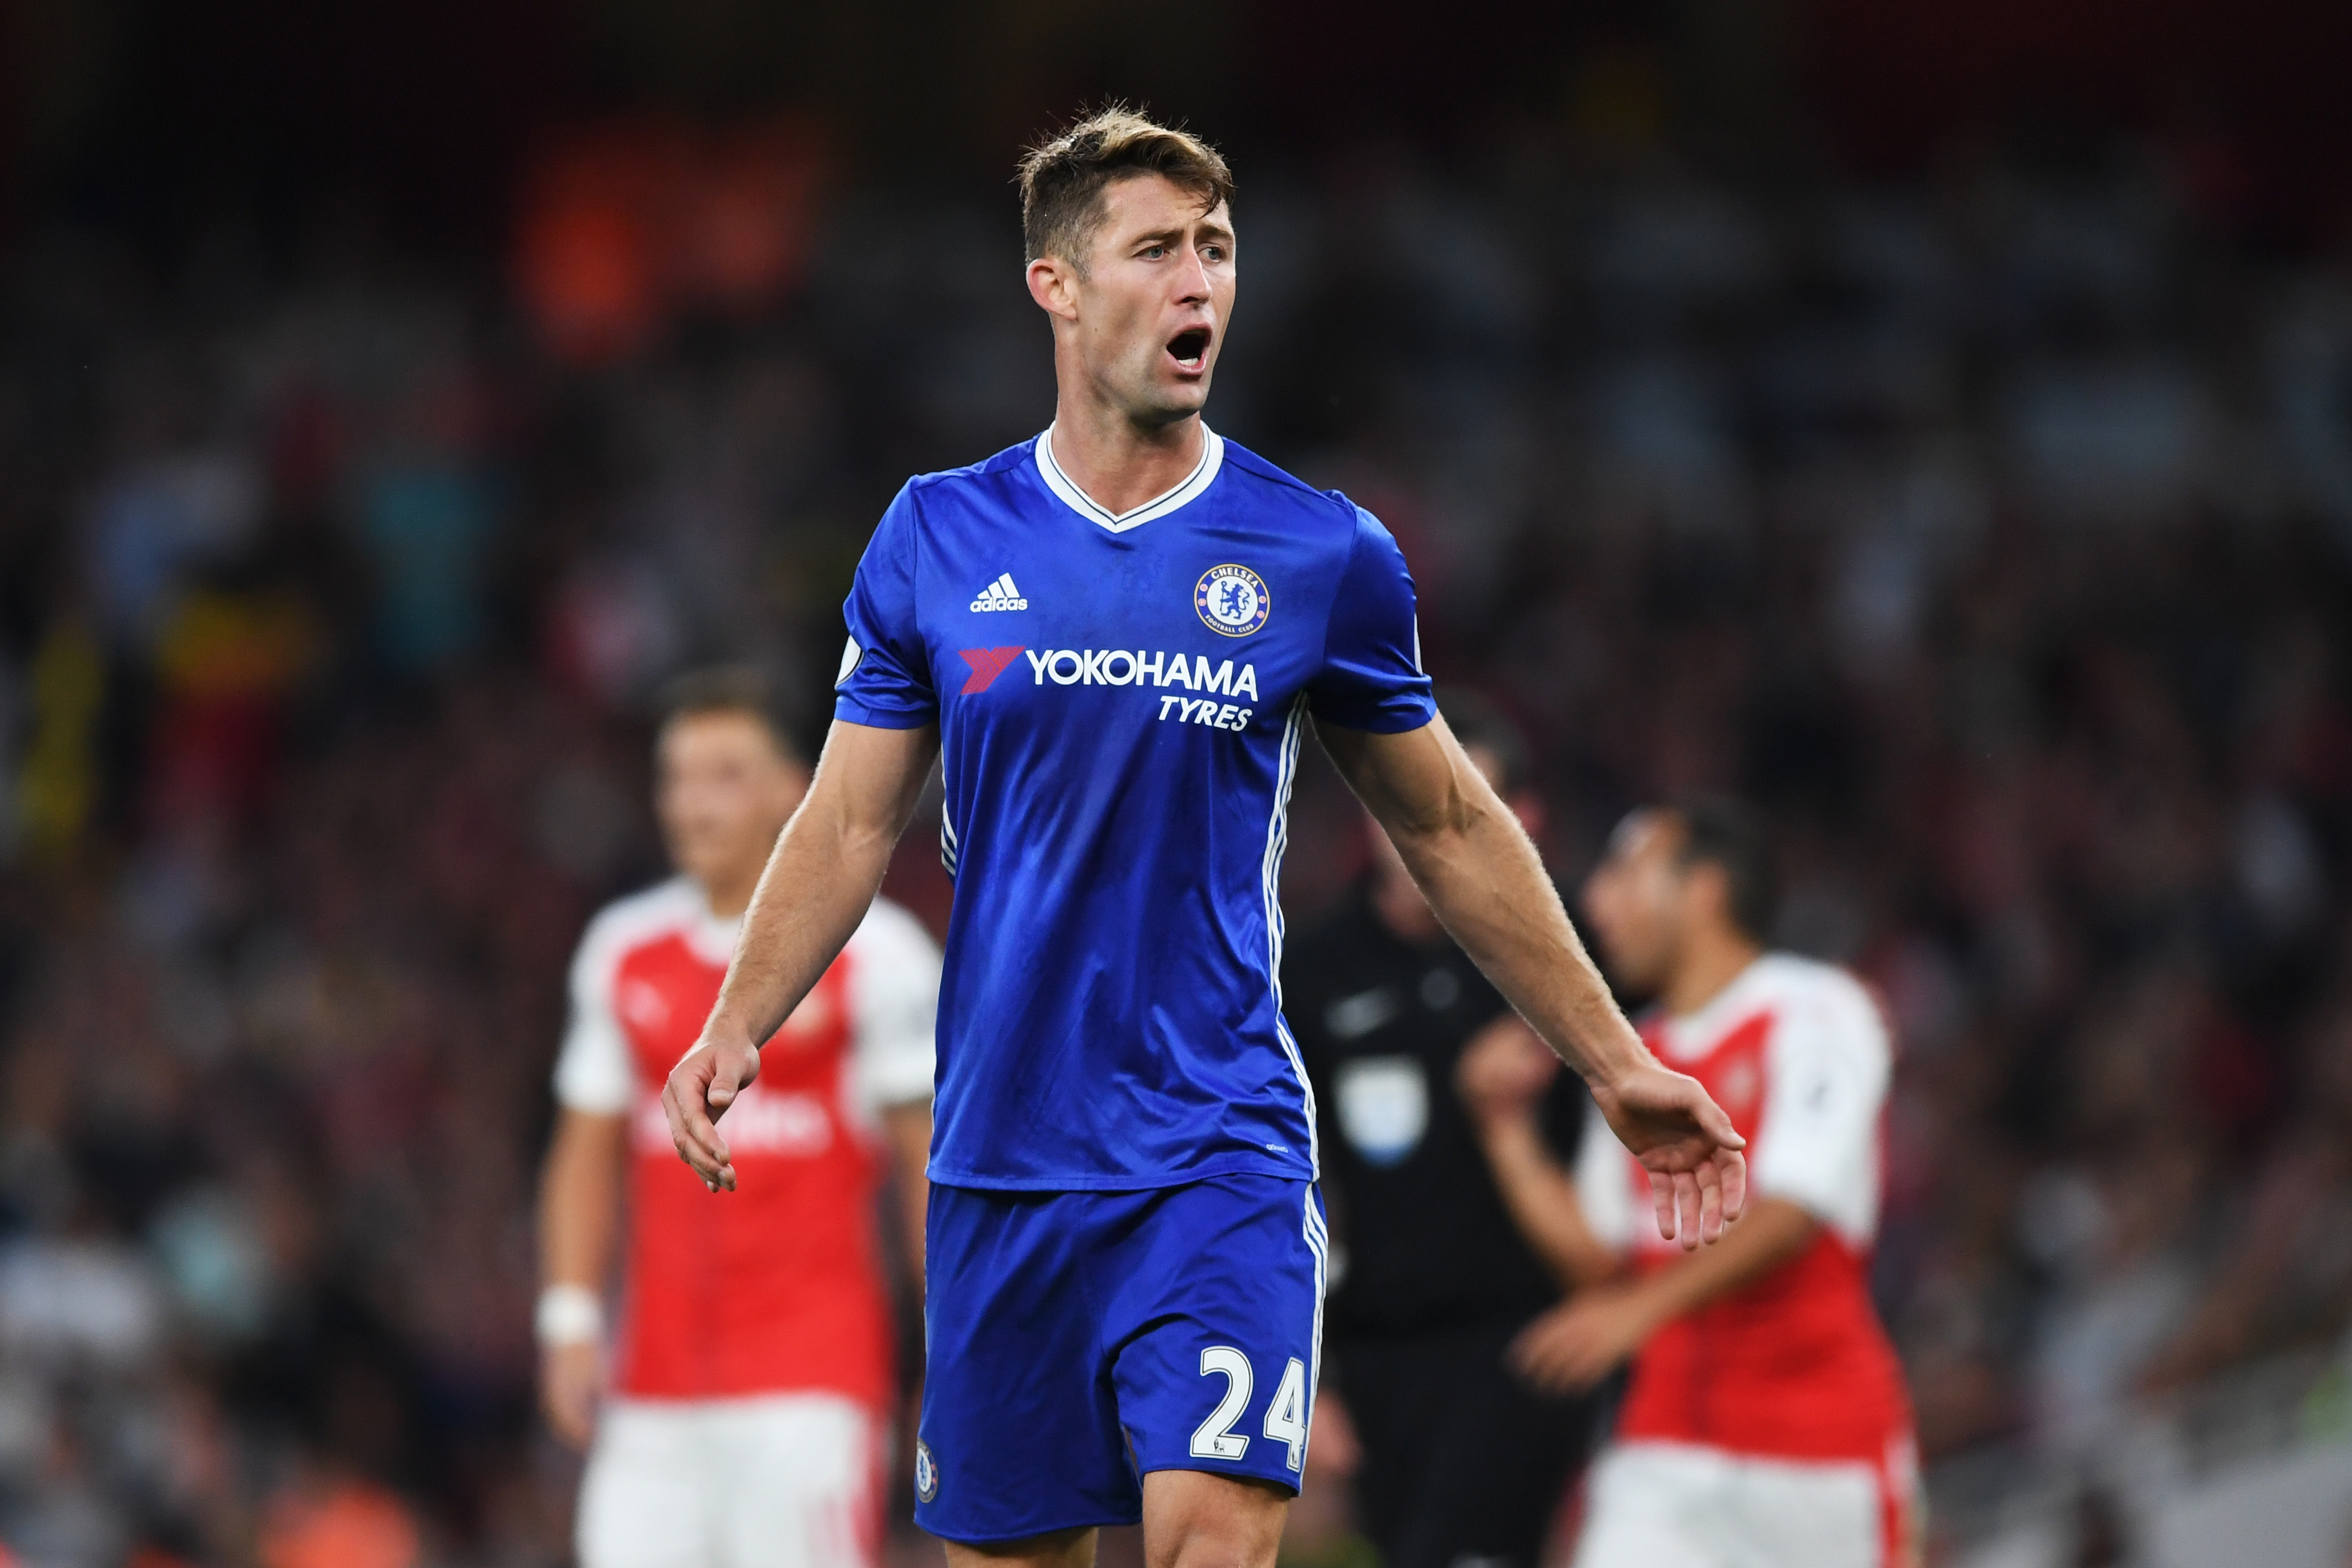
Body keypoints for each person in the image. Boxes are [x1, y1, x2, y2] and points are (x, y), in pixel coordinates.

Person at [659, 107, 1748, 1568]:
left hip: (1214, 1151)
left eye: (1218, 252)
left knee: (1208, 1544)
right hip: (1000, 1167)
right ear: (1054, 283)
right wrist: (743, 1014)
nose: (1200, 285)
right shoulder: (936, 535)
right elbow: (854, 813)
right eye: (1156, 250)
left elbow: (1444, 822)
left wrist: (1617, 1060)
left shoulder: (1318, 553)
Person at [537, 668, 940, 1568]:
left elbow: (927, 1167)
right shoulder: (623, 951)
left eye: (723, 774)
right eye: (676, 778)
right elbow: (584, 1154)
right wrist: (568, 1320)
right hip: (651, 1394)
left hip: (812, 1388)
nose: (692, 804)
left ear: (794, 788)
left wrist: (954, 1347)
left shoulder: (881, 956)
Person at [1459, 798, 1918, 1568]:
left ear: (1705, 889)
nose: (1596, 901)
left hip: (1823, 1449)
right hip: (1662, 1449)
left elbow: (1795, 1211)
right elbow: (1600, 1259)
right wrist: (1502, 1129)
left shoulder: (1819, 1009)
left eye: (1625, 872)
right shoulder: (1636, 1058)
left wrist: (1638, 1310)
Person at [1283, 691, 1601, 1568]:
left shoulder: (1575, 959)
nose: (1419, 830)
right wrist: (1313, 1376)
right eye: (1396, 800)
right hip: (1372, 1356)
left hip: (1527, 1348)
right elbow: (1286, 1186)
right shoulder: (1304, 973)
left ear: (1519, 822)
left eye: (1457, 808)